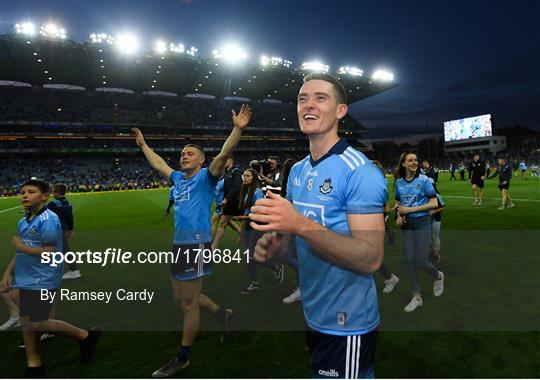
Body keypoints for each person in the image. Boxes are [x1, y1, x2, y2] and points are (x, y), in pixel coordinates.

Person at [250, 73, 387, 378]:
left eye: (320, 98)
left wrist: (298, 223)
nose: (308, 105)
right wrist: (276, 249)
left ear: (341, 110)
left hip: (348, 322)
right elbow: (294, 244)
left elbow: (371, 258)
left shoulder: (360, 172)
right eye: (302, 99)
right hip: (314, 313)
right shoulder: (297, 171)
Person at [133, 104, 251, 378]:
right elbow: (160, 164)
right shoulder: (178, 180)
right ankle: (223, 314)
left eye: (190, 154)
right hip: (179, 246)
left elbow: (223, 155)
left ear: (201, 160)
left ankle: (183, 357)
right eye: (183, 153)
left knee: (188, 304)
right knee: (184, 298)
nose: (184, 156)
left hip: (195, 246)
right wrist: (143, 146)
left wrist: (237, 129)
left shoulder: (206, 179)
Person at [1, 179, 100, 378]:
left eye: (31, 191)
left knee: (38, 322)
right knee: (26, 319)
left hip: (44, 276)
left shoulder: (49, 219)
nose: (24, 195)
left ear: (45, 196)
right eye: (22, 192)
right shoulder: (23, 221)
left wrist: (20, 247)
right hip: (26, 274)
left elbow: (48, 252)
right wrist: (7, 272)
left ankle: (85, 336)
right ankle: (34, 366)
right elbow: (22, 251)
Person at [394, 152, 445, 312]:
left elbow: (434, 202)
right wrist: (399, 216)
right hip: (407, 225)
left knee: (421, 261)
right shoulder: (398, 182)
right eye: (410, 160)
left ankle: (438, 276)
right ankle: (416, 296)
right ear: (403, 164)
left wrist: (411, 209)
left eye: (416, 160)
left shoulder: (424, 180)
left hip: (422, 223)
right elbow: (398, 202)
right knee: (410, 261)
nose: (414, 162)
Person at [235, 168, 284, 294]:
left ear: (253, 178)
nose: (244, 178)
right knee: (247, 256)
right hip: (248, 225)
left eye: (247, 176)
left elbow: (261, 212)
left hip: (257, 225)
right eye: (244, 176)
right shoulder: (246, 191)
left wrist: (244, 217)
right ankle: (254, 283)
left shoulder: (257, 192)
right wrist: (242, 230)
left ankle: (276, 267)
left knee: (253, 256)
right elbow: (247, 211)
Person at [47, 184, 80, 280]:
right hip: (64, 228)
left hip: (56, 229)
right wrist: (70, 229)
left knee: (65, 249)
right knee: (59, 249)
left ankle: (74, 271)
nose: (52, 194)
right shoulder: (68, 203)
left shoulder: (53, 203)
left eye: (53, 191)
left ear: (57, 192)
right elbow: (70, 218)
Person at [212, 158, 243, 249]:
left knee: (245, 222)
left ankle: (248, 238)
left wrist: (226, 199)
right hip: (229, 202)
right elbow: (227, 189)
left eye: (224, 161)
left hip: (236, 201)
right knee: (223, 222)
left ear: (230, 161)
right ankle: (214, 245)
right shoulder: (227, 173)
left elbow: (236, 187)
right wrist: (224, 200)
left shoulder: (236, 172)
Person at [428, 180, 445, 264]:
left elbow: (442, 208)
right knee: (427, 237)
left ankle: (436, 254)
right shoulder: (424, 196)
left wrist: (433, 212)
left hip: (436, 219)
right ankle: (432, 251)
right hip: (426, 219)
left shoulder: (437, 196)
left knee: (435, 236)